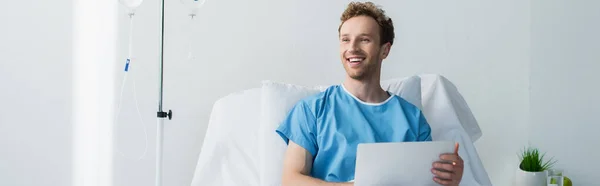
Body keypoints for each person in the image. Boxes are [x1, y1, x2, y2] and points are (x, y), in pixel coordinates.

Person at [275, 1, 464, 186]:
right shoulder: (312, 111)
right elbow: (291, 180)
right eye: (346, 39)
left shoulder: (413, 120)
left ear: (385, 50)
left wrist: (449, 180)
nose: (352, 48)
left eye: (364, 39)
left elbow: (425, 180)